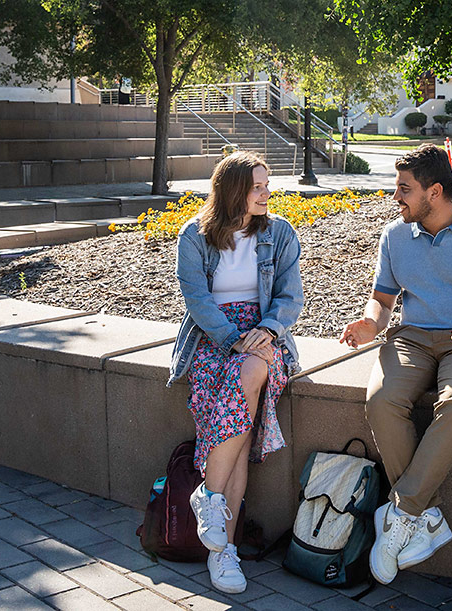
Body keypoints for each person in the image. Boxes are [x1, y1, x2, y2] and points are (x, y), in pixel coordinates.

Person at [340, 144, 452, 585]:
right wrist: (370, 322)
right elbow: (383, 300)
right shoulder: (395, 235)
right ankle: (425, 515)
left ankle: (403, 514)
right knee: (382, 400)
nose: (395, 196)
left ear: (434, 191)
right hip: (413, 338)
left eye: (404, 188)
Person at [167, 152, 303, 594]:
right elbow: (198, 301)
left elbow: (289, 297)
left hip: (264, 335)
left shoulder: (280, 233)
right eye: (258, 186)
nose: (267, 193)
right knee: (240, 440)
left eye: (268, 185)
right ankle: (223, 553)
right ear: (232, 191)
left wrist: (263, 330)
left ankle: (209, 495)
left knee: (251, 373)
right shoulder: (194, 236)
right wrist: (232, 338)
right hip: (213, 336)